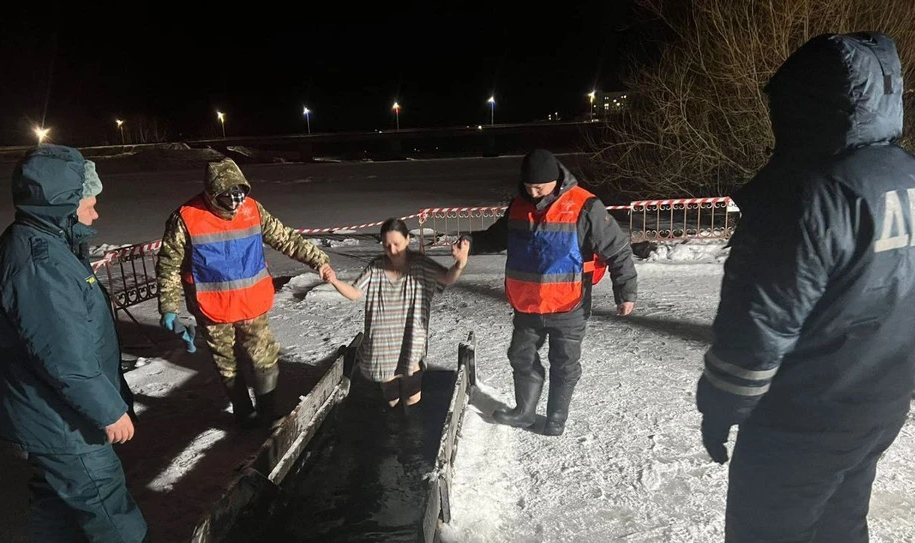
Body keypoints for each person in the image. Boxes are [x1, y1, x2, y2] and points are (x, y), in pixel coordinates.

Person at [691, 32, 915, 543]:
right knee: (839, 528)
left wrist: (722, 401)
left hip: (803, 413)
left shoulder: (812, 192)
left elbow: (762, 320)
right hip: (877, 401)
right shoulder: (902, 174)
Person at [0, 144, 182, 543]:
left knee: (52, 485)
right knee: (102, 493)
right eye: (88, 202)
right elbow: (65, 358)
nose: (95, 212)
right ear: (62, 204)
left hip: (39, 407)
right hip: (60, 412)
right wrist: (109, 411)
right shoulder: (41, 262)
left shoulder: (42, 243)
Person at [469, 148, 637, 436]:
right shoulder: (519, 205)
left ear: (556, 180)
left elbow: (618, 250)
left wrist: (626, 293)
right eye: (528, 186)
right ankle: (524, 413)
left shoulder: (585, 205)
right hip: (528, 304)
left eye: (540, 186)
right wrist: (469, 242)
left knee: (564, 362)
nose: (534, 192)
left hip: (569, 304)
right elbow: (496, 237)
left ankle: (557, 418)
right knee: (520, 356)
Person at [156, 157, 332, 427]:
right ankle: (244, 414)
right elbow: (169, 263)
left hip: (251, 303)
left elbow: (285, 238)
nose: (236, 202)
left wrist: (318, 260)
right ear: (213, 194)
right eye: (228, 196)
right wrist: (169, 307)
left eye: (240, 193)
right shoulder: (186, 218)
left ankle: (268, 413)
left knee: (264, 356)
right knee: (227, 363)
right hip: (212, 308)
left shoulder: (253, 209)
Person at [324, 217, 469, 408]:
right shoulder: (376, 267)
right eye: (386, 245)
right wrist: (334, 281)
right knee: (390, 393)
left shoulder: (421, 265)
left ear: (408, 240)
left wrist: (460, 263)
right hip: (382, 344)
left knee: (412, 389)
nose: (392, 251)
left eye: (397, 244)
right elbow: (355, 293)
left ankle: (413, 427)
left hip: (411, 339)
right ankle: (395, 425)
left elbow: (447, 278)